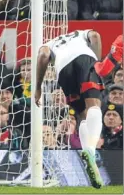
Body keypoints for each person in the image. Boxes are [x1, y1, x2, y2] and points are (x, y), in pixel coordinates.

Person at [34, 29, 104, 189]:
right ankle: (91, 151)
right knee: (94, 106)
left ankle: (87, 152)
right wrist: (97, 64)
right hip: (85, 60)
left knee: (83, 115)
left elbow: (43, 56)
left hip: (63, 71)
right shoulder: (80, 33)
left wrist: (38, 88)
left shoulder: (49, 44)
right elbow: (95, 36)